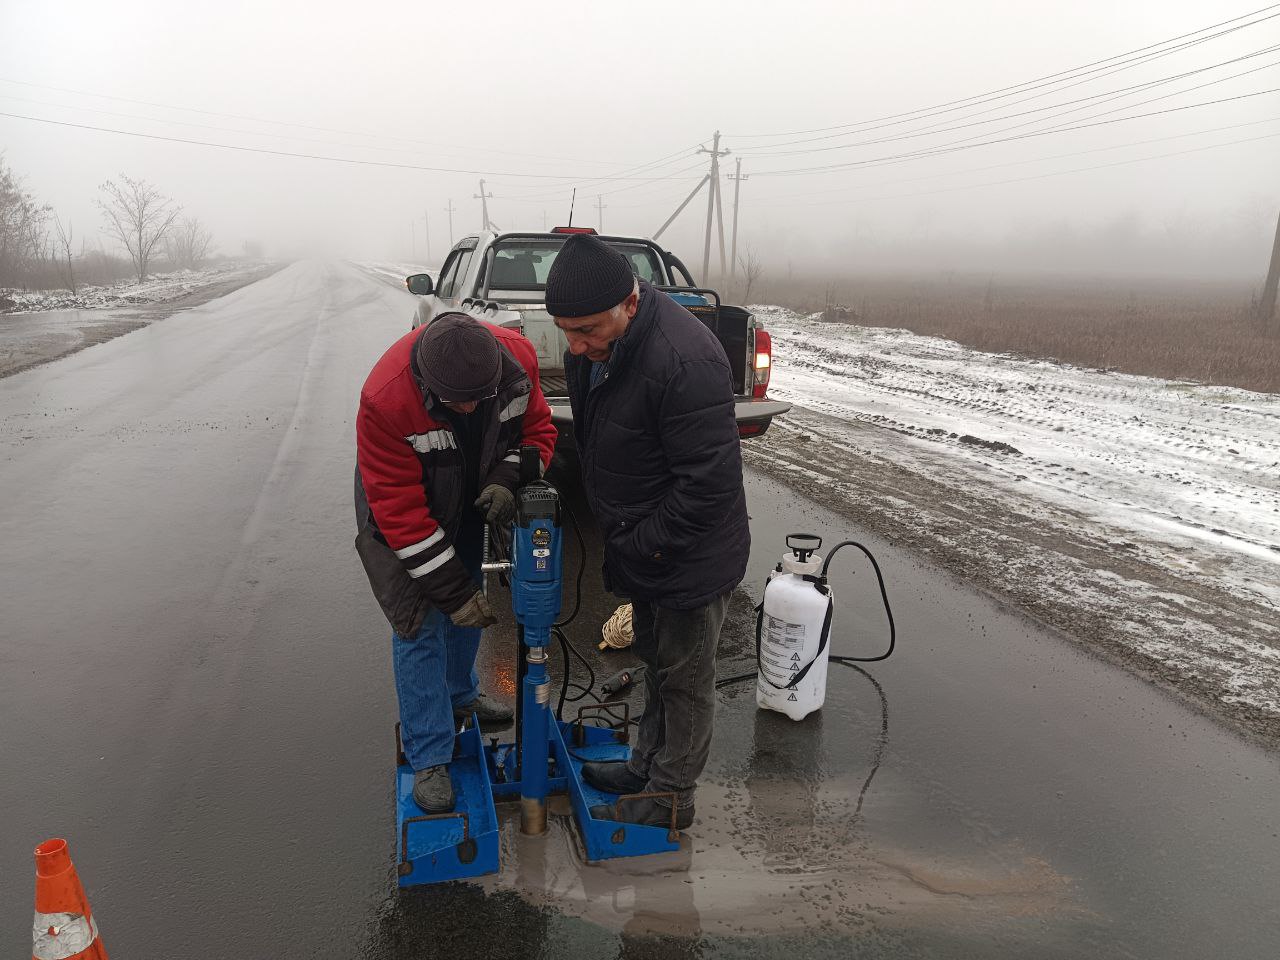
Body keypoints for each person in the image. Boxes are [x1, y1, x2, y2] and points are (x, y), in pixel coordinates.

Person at [545, 234, 750, 830]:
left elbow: (707, 487)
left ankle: (670, 799)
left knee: (685, 679)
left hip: (688, 553)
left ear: (630, 303)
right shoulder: (601, 350)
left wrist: (639, 544)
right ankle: (645, 767)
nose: (575, 346)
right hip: (649, 546)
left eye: (586, 330)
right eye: (565, 331)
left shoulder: (684, 361)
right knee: (657, 662)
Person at [355, 312, 556, 813]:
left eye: (479, 398)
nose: (468, 408)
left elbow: (538, 433)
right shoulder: (386, 399)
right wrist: (449, 593)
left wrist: (505, 480)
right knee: (420, 620)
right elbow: (402, 517)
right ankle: (430, 752)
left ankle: (460, 694)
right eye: (455, 401)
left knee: (471, 595)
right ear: (427, 383)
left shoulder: (516, 361)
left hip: (470, 492)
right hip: (405, 508)